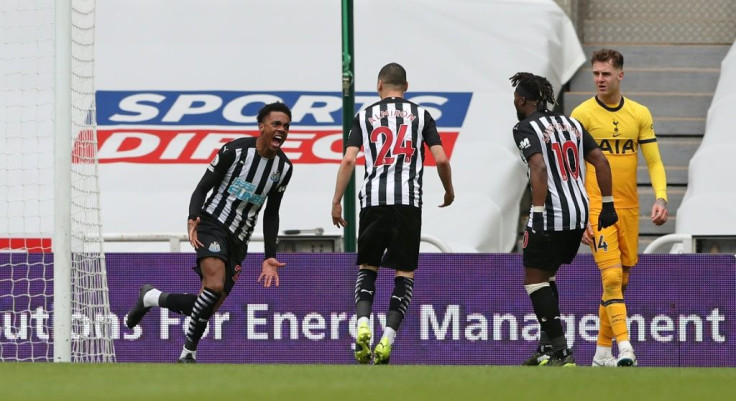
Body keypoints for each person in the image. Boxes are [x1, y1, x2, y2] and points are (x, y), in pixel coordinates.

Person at [124, 102, 294, 363]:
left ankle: (152, 298)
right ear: (262, 127)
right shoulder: (234, 151)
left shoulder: (283, 168)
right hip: (212, 223)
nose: (282, 130)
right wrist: (193, 217)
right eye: (276, 124)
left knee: (208, 304)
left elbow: (272, 213)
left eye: (286, 126)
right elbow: (202, 187)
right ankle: (188, 354)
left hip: (240, 238)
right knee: (213, 286)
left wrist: (269, 255)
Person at [331, 62, 454, 365]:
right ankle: (387, 338)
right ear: (406, 87)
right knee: (404, 272)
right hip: (407, 203)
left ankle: (362, 324)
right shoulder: (422, 115)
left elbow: (348, 160)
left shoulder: (364, 115)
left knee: (368, 267)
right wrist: (448, 190)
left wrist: (336, 200)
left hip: (373, 200)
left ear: (379, 86)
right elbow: (440, 159)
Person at [510, 72, 618, 367]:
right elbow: (601, 161)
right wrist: (607, 204)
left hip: (552, 212)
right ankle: (546, 348)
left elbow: (539, 168)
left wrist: (538, 214)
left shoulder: (524, 127)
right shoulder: (574, 123)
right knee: (548, 276)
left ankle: (561, 350)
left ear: (521, 99)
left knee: (534, 279)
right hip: (579, 211)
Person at [571, 49, 668, 367]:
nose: (599, 79)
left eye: (605, 74)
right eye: (595, 74)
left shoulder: (639, 113)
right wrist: (579, 213)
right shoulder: (581, 115)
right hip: (597, 208)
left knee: (621, 281)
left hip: (628, 209)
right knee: (611, 277)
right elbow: (571, 169)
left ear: (620, 76)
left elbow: (653, 161)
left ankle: (601, 353)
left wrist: (661, 197)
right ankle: (625, 347)